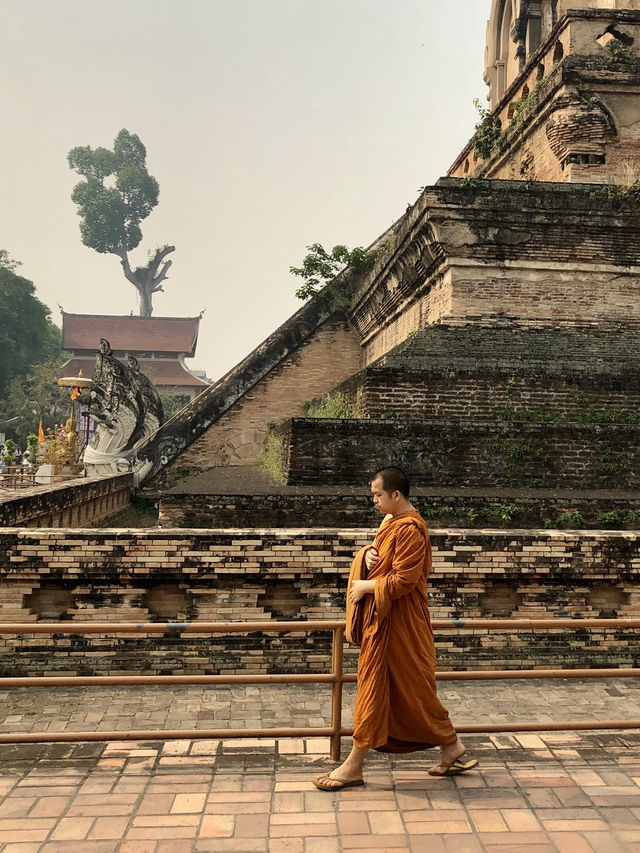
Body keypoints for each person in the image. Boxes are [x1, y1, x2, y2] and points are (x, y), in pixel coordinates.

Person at [313, 466, 477, 790]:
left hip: (400, 623)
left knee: (379, 688)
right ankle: (451, 747)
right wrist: (365, 558)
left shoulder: (411, 530)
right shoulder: (390, 523)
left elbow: (405, 579)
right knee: (413, 692)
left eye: (378, 494)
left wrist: (364, 587)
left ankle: (353, 765)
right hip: (387, 621)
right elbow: (379, 558)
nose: (374, 500)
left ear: (395, 495)